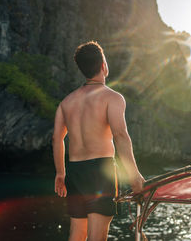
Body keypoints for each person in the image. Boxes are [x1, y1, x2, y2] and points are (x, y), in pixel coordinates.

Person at [52, 41, 145, 241]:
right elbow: (120, 135)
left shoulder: (66, 103)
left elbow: (56, 139)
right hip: (100, 172)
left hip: (74, 171)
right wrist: (134, 175)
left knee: (77, 233)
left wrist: (61, 173)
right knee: (97, 236)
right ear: (103, 65)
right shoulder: (112, 98)